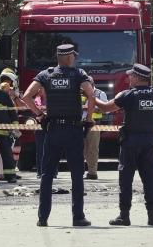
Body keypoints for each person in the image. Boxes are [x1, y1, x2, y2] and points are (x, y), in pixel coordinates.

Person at [21, 44, 96, 227]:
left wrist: (39, 115)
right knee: (77, 175)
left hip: (53, 129)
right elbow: (91, 96)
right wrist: (89, 119)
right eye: (74, 56)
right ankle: (78, 217)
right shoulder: (79, 75)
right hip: (73, 130)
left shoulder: (45, 75)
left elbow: (26, 96)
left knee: (47, 174)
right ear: (70, 57)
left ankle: (42, 218)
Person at [95, 64, 153, 226]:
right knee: (149, 179)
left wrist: (93, 97)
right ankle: (152, 216)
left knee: (126, 180)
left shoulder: (127, 95)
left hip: (130, 142)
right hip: (149, 141)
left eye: (130, 76)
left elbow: (106, 108)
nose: (128, 78)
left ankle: (124, 215)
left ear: (136, 77)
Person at [82, 85, 108, 180]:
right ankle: (79, 172)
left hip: (94, 124)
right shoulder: (79, 92)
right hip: (79, 123)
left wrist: (90, 108)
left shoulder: (100, 94)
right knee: (79, 148)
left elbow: (106, 110)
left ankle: (92, 173)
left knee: (92, 149)